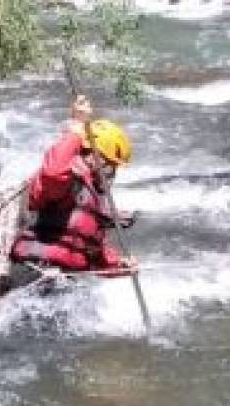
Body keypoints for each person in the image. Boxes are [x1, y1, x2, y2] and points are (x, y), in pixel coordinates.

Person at [11, 95, 138, 274]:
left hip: (60, 277)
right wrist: (76, 129)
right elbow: (53, 173)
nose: (112, 172)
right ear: (95, 155)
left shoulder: (92, 192)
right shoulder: (66, 178)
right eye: (110, 165)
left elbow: (88, 247)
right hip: (33, 270)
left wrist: (116, 265)